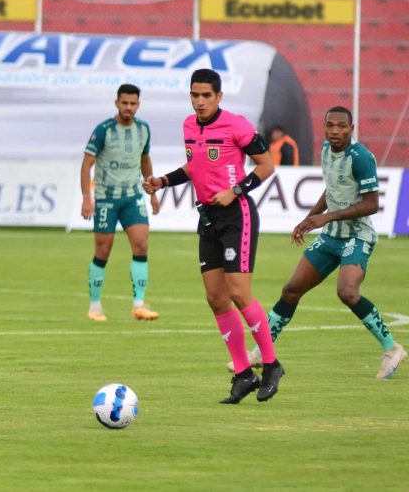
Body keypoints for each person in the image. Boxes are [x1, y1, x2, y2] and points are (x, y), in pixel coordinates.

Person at [143, 68, 284, 404]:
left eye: (207, 95)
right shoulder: (189, 126)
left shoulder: (236, 125)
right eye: (195, 95)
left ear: (219, 96)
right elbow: (195, 166)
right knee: (215, 298)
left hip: (237, 215)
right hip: (208, 217)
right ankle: (243, 374)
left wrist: (235, 191)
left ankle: (271, 364)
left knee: (238, 293)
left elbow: (266, 165)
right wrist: (163, 181)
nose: (200, 101)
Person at [235, 106, 406, 379]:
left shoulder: (361, 157)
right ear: (324, 127)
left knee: (347, 292)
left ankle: (392, 348)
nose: (335, 131)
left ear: (352, 128)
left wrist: (326, 218)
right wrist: (310, 218)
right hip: (331, 236)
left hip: (357, 235)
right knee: (291, 290)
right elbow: (333, 188)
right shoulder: (327, 150)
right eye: (330, 126)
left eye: (341, 126)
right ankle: (260, 351)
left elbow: (372, 204)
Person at [80, 83, 161, 322]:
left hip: (132, 197)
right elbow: (87, 164)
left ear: (138, 105)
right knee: (103, 250)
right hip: (106, 198)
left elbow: (145, 159)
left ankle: (139, 305)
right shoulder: (104, 130)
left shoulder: (143, 129)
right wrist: (87, 197)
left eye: (132, 103)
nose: (128, 107)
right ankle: (95, 307)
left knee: (141, 245)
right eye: (124, 103)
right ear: (117, 103)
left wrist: (152, 191)